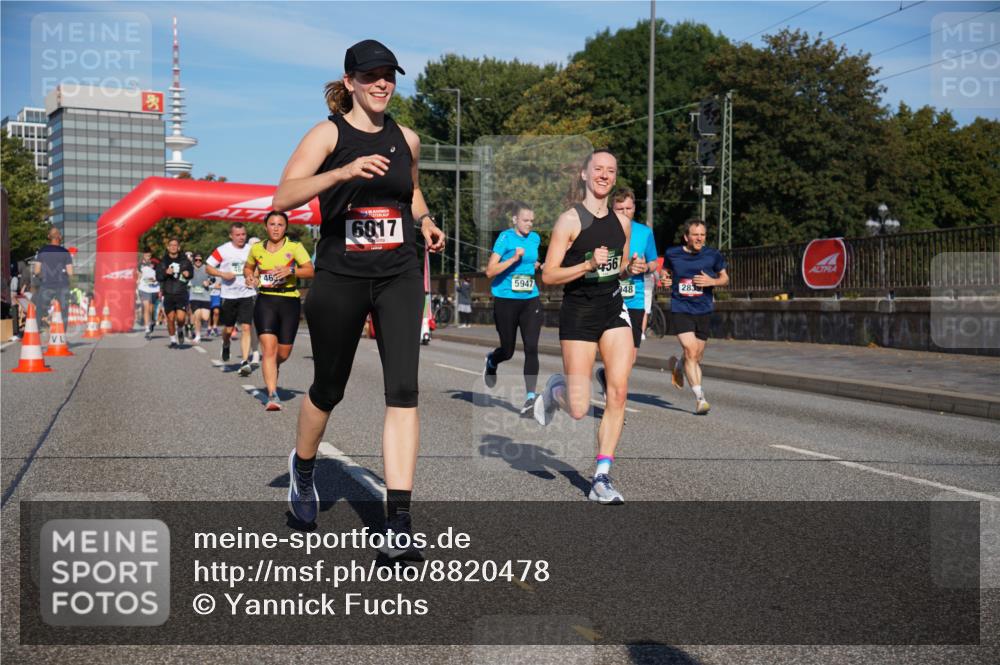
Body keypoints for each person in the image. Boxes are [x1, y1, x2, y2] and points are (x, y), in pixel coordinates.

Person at [273, 38, 445, 540]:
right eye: (371, 75)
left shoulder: (405, 139)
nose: (382, 83)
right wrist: (342, 170)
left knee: (404, 391)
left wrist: (426, 219)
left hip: (398, 273)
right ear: (349, 83)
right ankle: (304, 470)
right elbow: (284, 196)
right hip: (340, 277)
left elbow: (409, 189)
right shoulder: (328, 135)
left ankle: (399, 521)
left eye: (389, 74)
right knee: (329, 388)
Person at [534, 149, 645, 505]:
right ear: (584, 174)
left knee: (619, 391)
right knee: (579, 408)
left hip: (613, 307)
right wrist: (585, 266)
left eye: (610, 170)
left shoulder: (622, 223)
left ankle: (601, 476)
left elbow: (619, 266)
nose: (604, 175)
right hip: (578, 312)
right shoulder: (569, 220)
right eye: (598, 169)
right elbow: (549, 275)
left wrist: (631, 270)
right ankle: (554, 391)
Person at [243, 211, 315, 410]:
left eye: (280, 224)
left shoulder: (295, 247)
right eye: (272, 224)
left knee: (282, 354)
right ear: (266, 226)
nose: (276, 228)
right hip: (265, 300)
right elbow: (248, 268)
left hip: (289, 301)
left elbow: (311, 271)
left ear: (286, 227)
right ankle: (272, 395)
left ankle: (275, 366)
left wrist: (291, 270)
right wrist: (249, 276)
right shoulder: (257, 248)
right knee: (268, 350)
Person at [595, 188, 660, 395]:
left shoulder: (644, 232)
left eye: (628, 208)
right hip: (607, 298)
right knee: (611, 351)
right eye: (619, 208)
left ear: (634, 208)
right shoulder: (601, 231)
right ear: (611, 209)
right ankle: (614, 397)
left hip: (634, 299)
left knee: (630, 356)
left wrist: (645, 267)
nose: (624, 212)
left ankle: (608, 379)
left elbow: (653, 262)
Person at [662, 219, 729, 415]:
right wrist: (664, 279)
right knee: (691, 350)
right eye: (695, 234)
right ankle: (700, 399)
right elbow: (665, 272)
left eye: (702, 235)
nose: (699, 238)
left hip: (704, 309)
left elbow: (725, 278)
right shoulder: (673, 253)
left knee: (696, 356)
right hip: (681, 307)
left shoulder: (713, 255)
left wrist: (712, 281)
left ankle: (678, 365)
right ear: (686, 237)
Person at [483, 201, 543, 415]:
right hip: (505, 299)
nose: (529, 224)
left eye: (532, 221)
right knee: (508, 350)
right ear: (515, 220)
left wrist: (535, 264)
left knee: (531, 347)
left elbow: (532, 260)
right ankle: (492, 359)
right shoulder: (505, 238)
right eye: (526, 220)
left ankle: (530, 398)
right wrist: (514, 259)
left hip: (530, 299)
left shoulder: (535, 238)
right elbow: (490, 271)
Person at [206, 222, 258, 376]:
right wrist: (223, 275)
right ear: (231, 236)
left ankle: (244, 362)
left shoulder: (251, 250)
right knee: (228, 330)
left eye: (243, 234)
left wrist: (255, 278)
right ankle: (226, 343)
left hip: (247, 294)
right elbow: (208, 267)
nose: (241, 237)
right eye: (238, 235)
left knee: (246, 327)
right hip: (229, 295)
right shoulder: (223, 250)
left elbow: (258, 269)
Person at [155, 238, 193, 348]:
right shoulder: (163, 262)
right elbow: (158, 277)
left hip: (181, 292)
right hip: (168, 293)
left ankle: (180, 329)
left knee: (181, 318)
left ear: (179, 247)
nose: (173, 247)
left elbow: (191, 273)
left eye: (175, 245)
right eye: (171, 245)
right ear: (168, 247)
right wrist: (165, 273)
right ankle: (173, 340)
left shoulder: (185, 261)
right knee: (170, 319)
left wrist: (188, 273)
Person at [33, 226, 73, 327]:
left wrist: (44, 277)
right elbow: (70, 272)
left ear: (48, 236)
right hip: (62, 285)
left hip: (46, 284)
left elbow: (36, 271)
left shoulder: (42, 251)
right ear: (59, 237)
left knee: (39, 310)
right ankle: (61, 337)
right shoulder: (65, 252)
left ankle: (34, 335)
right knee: (63, 311)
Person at [188, 253, 213, 343]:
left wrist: (209, 282)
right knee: (197, 315)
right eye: (196, 260)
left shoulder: (206, 268)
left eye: (200, 260)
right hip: (194, 296)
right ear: (194, 260)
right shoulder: (190, 268)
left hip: (205, 296)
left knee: (205, 317)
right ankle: (197, 336)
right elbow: (184, 277)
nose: (198, 261)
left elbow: (213, 278)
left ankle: (195, 326)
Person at [136, 250, 160, 339]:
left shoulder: (156, 262)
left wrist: (156, 280)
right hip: (144, 288)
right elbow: (139, 274)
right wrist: (138, 281)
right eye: (146, 255)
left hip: (154, 289)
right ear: (143, 256)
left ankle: (152, 321)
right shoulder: (140, 264)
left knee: (151, 309)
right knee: (146, 307)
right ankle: (147, 329)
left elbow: (160, 273)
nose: (147, 257)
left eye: (149, 256)